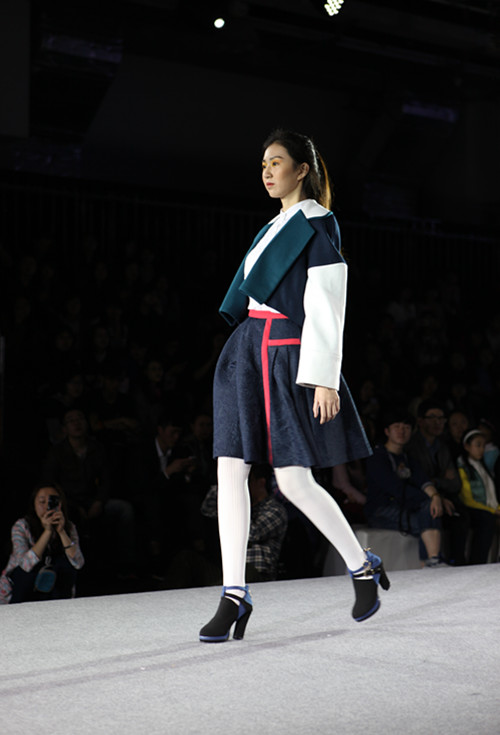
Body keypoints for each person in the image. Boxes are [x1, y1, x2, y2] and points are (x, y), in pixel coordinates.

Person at [199, 129, 389, 643]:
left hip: (286, 352)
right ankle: (234, 594)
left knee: (293, 480)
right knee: (229, 468)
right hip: (247, 350)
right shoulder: (272, 226)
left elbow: (328, 301)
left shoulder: (316, 222)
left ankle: (361, 566)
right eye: (263, 163)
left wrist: (325, 378)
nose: (267, 171)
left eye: (277, 162)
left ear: (302, 169)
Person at [365, 411, 445, 567]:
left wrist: (435, 496)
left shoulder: (408, 458)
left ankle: (431, 560)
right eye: (397, 427)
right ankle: (432, 560)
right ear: (387, 431)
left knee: (430, 510)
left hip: (404, 508)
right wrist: (431, 499)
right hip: (381, 511)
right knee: (426, 516)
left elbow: (423, 481)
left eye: (406, 427)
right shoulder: (378, 457)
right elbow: (395, 488)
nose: (402, 431)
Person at [407, 399, 468, 565]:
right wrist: (438, 485)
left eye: (441, 418)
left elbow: (455, 483)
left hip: (440, 496)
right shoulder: (412, 446)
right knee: (435, 511)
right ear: (420, 421)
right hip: (421, 499)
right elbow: (416, 480)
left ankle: (459, 564)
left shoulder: (442, 447)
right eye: (432, 417)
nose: (438, 422)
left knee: (462, 515)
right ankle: (431, 561)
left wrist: (435, 482)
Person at [0, 484, 84, 604]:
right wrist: (47, 532)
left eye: (52, 501)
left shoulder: (69, 527)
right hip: (24, 587)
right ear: (34, 504)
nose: (46, 506)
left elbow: (78, 563)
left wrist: (61, 532)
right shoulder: (21, 526)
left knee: (65, 566)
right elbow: (25, 565)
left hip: (54, 589)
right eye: (42, 502)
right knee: (25, 573)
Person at [457, 429, 500, 564]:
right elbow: (467, 498)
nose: (481, 449)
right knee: (487, 519)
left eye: (483, 445)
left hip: (489, 509)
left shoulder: (483, 467)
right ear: (467, 446)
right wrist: (492, 510)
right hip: (473, 508)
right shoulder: (462, 467)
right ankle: (477, 562)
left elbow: (491, 494)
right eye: (478, 445)